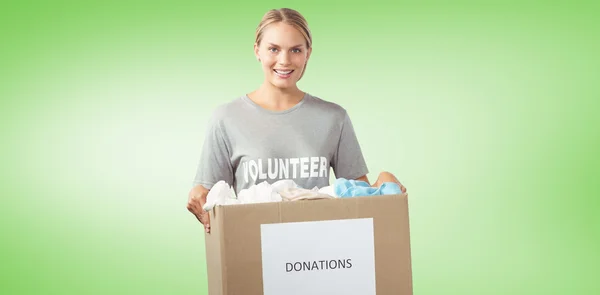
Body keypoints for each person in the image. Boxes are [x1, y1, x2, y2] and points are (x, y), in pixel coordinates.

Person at [187, 8, 407, 233]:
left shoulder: (333, 118)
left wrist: (385, 183)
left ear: (308, 54)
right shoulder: (227, 118)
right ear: (257, 51)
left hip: (321, 251)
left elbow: (358, 197)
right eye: (273, 49)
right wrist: (198, 199)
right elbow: (209, 197)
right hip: (251, 248)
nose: (284, 60)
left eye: (295, 50)